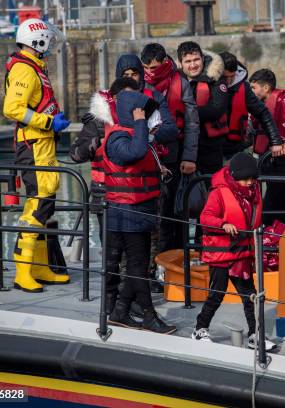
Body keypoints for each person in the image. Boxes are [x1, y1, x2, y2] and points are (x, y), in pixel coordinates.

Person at [102, 88, 178, 334]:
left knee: (140, 263)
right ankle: (148, 315)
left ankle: (121, 311)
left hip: (141, 210)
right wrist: (139, 122)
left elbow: (147, 155)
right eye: (140, 111)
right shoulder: (117, 138)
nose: (144, 116)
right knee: (137, 265)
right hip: (125, 210)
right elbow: (133, 153)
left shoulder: (137, 134)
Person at [3, 18, 70, 292]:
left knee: (44, 205)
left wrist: (52, 119)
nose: (50, 45)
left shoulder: (34, 67)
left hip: (42, 145)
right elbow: (13, 108)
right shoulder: (25, 69)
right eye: (48, 40)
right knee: (37, 206)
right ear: (38, 40)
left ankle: (40, 267)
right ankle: (23, 270)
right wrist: (47, 122)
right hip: (33, 145)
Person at [192, 152, 276, 351]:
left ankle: (255, 334)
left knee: (251, 296)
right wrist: (223, 224)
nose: (250, 182)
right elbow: (205, 218)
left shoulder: (253, 192)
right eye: (246, 178)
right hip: (221, 255)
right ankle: (199, 328)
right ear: (235, 176)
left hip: (242, 254)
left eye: (253, 178)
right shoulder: (218, 193)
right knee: (216, 294)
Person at [141, 43, 200, 253]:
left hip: (174, 154)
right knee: (149, 210)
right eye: (146, 68)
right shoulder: (138, 84)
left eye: (154, 68)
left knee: (172, 212)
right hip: (145, 155)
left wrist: (190, 157)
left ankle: (172, 260)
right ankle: (151, 261)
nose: (149, 73)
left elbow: (193, 122)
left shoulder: (180, 83)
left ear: (165, 62)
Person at [70, 77, 140, 240]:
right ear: (113, 98)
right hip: (105, 195)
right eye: (124, 98)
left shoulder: (143, 118)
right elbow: (76, 155)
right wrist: (98, 142)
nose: (129, 102)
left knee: (137, 251)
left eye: (134, 97)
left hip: (138, 195)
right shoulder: (97, 122)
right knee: (110, 249)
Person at [248, 68, 285, 225]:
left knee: (271, 206)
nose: (251, 91)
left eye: (254, 88)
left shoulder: (283, 101)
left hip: (283, 163)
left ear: (266, 88)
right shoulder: (258, 106)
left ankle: (266, 239)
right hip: (267, 162)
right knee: (281, 205)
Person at [177, 41, 229, 175]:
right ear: (180, 63)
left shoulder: (215, 78)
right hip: (180, 146)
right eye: (188, 61)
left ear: (202, 59)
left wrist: (185, 113)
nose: (193, 65)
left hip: (210, 147)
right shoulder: (174, 81)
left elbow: (216, 109)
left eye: (196, 60)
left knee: (210, 187)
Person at [219, 52, 282, 160]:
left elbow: (263, 113)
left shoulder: (244, 88)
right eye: (225, 77)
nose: (229, 81)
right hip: (210, 148)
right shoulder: (205, 84)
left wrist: (275, 141)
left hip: (235, 148)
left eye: (232, 76)